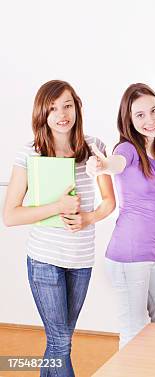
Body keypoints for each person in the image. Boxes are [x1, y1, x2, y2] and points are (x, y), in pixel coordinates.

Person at [3, 80, 115, 376]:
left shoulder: (94, 148)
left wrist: (88, 218)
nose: (62, 114)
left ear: (77, 106)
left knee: (58, 342)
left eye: (67, 105)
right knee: (61, 342)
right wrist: (57, 207)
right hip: (44, 260)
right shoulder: (30, 153)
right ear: (42, 113)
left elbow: (108, 203)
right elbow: (10, 215)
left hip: (81, 261)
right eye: (53, 108)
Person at [86, 83, 155, 348]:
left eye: (154, 111)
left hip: (153, 256)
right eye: (140, 115)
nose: (150, 120)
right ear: (129, 120)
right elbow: (115, 164)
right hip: (127, 255)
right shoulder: (127, 150)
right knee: (133, 334)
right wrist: (103, 165)